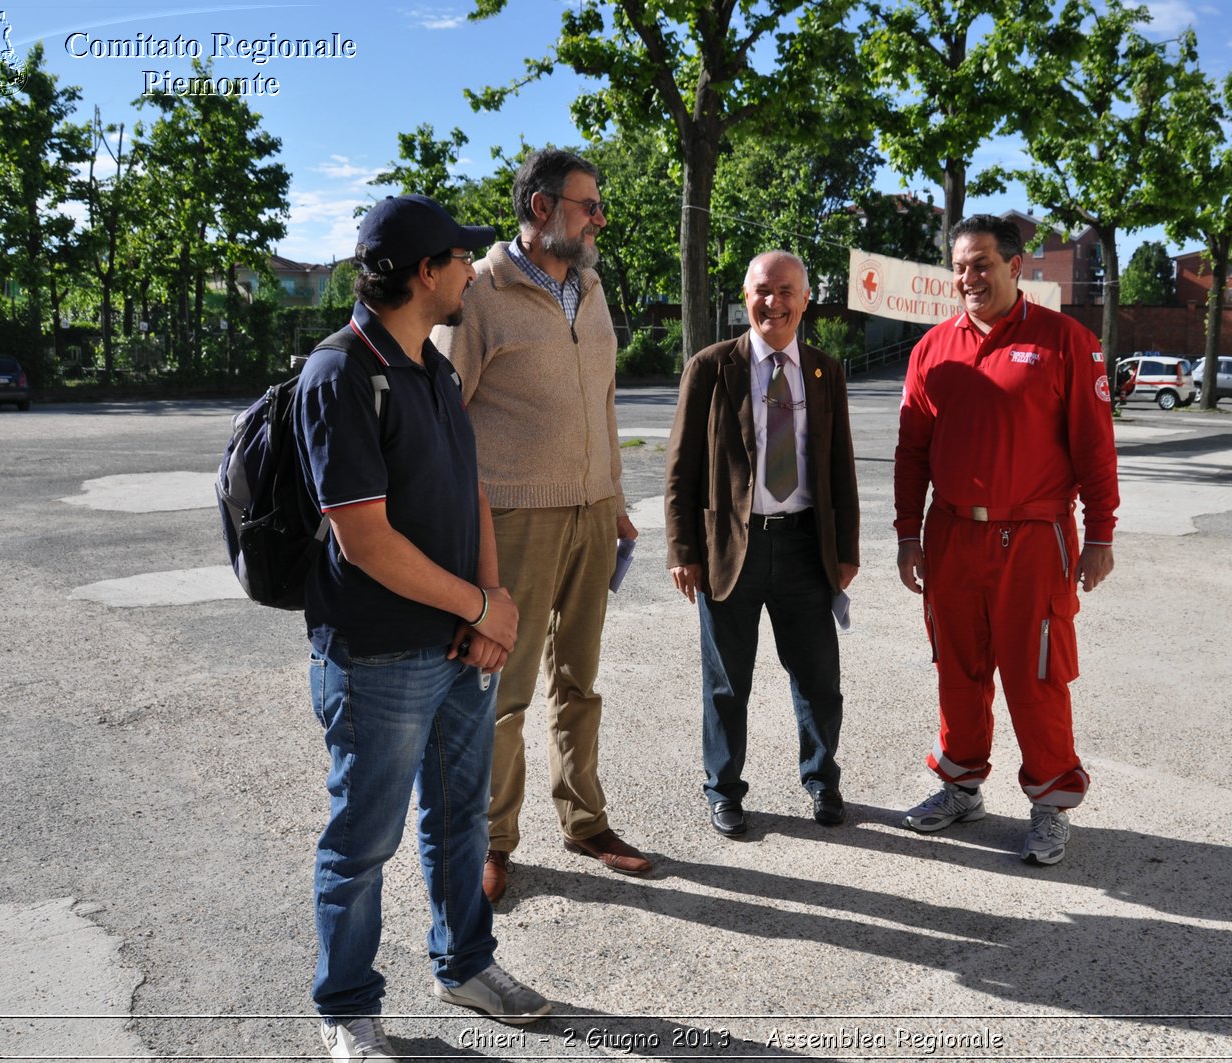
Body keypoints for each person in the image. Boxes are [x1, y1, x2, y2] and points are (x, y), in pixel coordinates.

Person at [296, 194, 552, 1061]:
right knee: (364, 839)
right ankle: (347, 1004)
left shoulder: (432, 366)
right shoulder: (340, 374)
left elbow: (470, 487)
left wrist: (491, 601)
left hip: (455, 647)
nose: (471, 273)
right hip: (378, 659)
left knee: (459, 820)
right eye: (459, 260)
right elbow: (364, 539)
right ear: (422, 274)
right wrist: (480, 607)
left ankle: (466, 964)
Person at [432, 148, 647, 905]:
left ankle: (585, 819)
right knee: (503, 689)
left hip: (592, 512)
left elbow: (607, 401)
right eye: (590, 205)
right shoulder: (481, 293)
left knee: (579, 681)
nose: (600, 219)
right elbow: (441, 417)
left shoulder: (589, 289)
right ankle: (492, 839)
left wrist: (614, 495)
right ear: (543, 208)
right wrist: (464, 522)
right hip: (514, 516)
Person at [893, 214, 1119, 867]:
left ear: (1016, 267)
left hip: (1034, 536)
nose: (968, 277)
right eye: (960, 265)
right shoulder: (931, 348)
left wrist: (1101, 531)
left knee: (1037, 672)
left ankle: (1051, 803)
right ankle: (960, 786)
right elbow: (912, 452)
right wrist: (909, 533)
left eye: (982, 264)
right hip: (952, 533)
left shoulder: (1065, 341)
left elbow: (1095, 447)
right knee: (957, 668)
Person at [665, 250, 861, 836]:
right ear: (744, 296)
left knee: (819, 676)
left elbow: (840, 467)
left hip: (805, 548)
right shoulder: (710, 366)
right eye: (761, 290)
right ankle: (723, 790)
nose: (772, 302)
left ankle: (822, 781)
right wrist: (683, 550)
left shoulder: (825, 372)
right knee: (727, 682)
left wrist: (846, 549)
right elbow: (681, 468)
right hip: (731, 549)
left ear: (805, 300)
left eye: (785, 292)